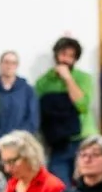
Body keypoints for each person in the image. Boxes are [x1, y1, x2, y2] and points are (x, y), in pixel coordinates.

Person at [34, 37, 96, 180]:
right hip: (57, 143)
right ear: (56, 55)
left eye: (71, 56)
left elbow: (82, 106)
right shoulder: (43, 82)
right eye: (63, 54)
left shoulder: (83, 78)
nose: (66, 60)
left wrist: (68, 79)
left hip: (83, 139)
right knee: (59, 186)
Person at [0, 51, 37, 142]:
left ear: (17, 66)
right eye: (6, 62)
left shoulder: (28, 90)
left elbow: (32, 120)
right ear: (0, 64)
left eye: (13, 63)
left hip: (20, 143)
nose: (9, 66)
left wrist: (17, 137)